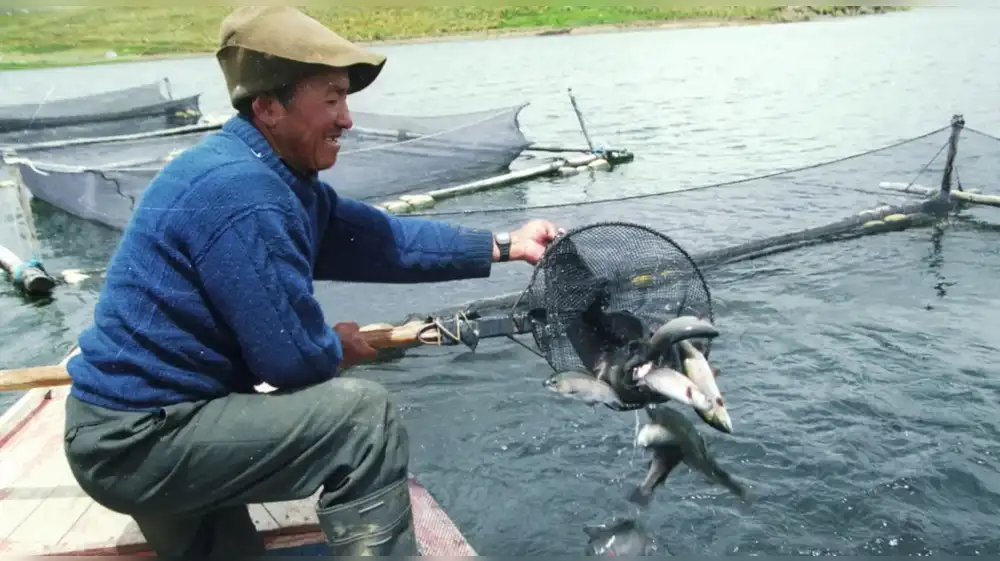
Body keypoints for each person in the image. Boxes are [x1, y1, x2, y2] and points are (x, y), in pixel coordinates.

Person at [62, 6, 562, 559]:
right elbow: (291, 359)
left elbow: (383, 242)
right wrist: (335, 347)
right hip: (142, 441)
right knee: (364, 419)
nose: (347, 118)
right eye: (331, 99)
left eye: (344, 99)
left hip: (140, 426)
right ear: (269, 107)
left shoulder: (268, 174)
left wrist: (503, 245)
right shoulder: (245, 194)